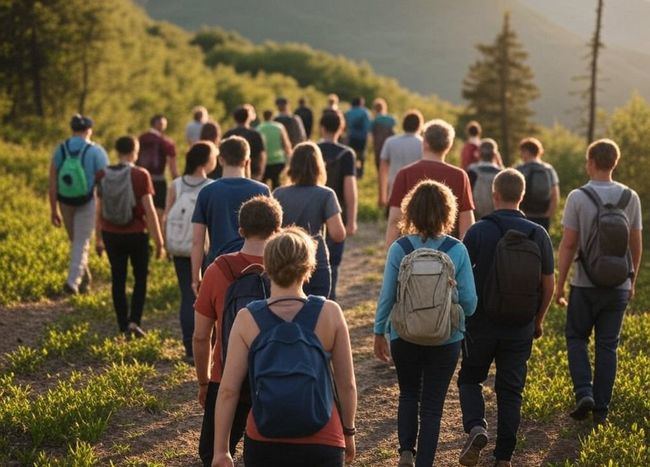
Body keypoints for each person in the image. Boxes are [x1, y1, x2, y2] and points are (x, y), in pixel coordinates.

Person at [211, 227, 357, 467]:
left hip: (264, 439)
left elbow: (228, 390)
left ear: (267, 266)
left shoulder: (247, 318)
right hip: (323, 438)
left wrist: (221, 450)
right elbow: (346, 385)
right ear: (309, 267)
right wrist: (349, 431)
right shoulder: (330, 313)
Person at [374, 180, 477, 467]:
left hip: (404, 335)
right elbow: (470, 303)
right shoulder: (457, 250)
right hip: (446, 337)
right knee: (432, 407)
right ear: (449, 212)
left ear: (410, 211)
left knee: (408, 393)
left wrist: (379, 330)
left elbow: (387, 296)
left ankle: (406, 451)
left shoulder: (399, 248)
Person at [458, 169, 555, 467]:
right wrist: (537, 320)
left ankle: (476, 426)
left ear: (494, 195)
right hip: (520, 325)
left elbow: (461, 279)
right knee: (511, 391)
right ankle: (504, 458)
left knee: (470, 379)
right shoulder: (538, 233)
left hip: (481, 325)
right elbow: (548, 284)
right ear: (522, 196)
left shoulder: (478, 231)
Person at [556, 139, 642, 426]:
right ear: (614, 163)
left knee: (576, 338)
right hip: (618, 284)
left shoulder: (578, 197)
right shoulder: (631, 197)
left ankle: (584, 392)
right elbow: (636, 244)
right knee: (608, 346)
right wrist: (632, 279)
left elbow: (568, 245)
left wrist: (559, 286)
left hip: (584, 284)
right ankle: (601, 410)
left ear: (590, 162)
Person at [194, 196, 283, 467]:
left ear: (240, 230)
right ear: (277, 229)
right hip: (275, 375)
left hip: (225, 376)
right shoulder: (287, 269)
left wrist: (204, 381)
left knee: (213, 455)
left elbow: (200, 336)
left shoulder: (217, 269)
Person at [95, 136, 165, 338]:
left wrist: (98, 239)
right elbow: (150, 211)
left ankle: (122, 326)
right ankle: (134, 321)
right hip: (136, 234)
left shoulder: (102, 175)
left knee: (118, 279)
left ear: (117, 151)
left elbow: (98, 209)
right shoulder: (141, 174)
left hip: (111, 234)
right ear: (135, 152)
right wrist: (159, 242)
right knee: (140, 278)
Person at [191, 136, 270, 296]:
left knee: (220, 315)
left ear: (220, 160)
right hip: (255, 264)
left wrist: (196, 277)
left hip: (218, 265)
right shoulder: (262, 190)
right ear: (247, 161)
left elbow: (197, 241)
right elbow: (272, 234)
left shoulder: (207, 192)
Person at [163, 142, 217, 360]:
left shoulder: (175, 185)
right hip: (205, 249)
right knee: (208, 297)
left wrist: (166, 244)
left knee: (187, 294)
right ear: (206, 161)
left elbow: (166, 216)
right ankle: (208, 344)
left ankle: (188, 347)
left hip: (180, 248)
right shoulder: (212, 186)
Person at [273, 143, 346, 298]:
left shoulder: (278, 194)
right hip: (315, 260)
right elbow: (338, 234)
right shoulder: (326, 195)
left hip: (283, 260)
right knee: (317, 309)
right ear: (319, 167)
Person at [386, 119, 475, 246]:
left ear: (425, 142)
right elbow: (466, 224)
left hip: (411, 253)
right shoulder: (460, 176)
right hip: (447, 252)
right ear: (448, 145)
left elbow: (395, 220)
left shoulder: (405, 174)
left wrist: (390, 254)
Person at [49, 114, 109, 295]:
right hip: (87, 201)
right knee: (81, 242)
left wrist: (53, 209)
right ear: (89, 130)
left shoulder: (60, 149)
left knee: (77, 241)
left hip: (64, 201)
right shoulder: (97, 151)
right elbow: (105, 183)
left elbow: (52, 181)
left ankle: (74, 281)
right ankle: (78, 280)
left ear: (72, 129)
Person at [317, 110, 358, 299]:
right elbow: (350, 188)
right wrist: (351, 220)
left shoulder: (311, 149)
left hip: (313, 210)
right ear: (341, 128)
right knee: (332, 263)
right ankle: (329, 300)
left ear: (321, 127)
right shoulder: (347, 154)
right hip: (336, 212)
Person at [378, 110, 424, 209]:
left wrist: (382, 195)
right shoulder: (423, 144)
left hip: (394, 191)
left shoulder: (390, 142)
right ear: (419, 125)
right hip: (417, 195)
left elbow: (383, 170)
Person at [137, 114, 178, 219]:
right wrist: (177, 181)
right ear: (158, 124)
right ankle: (158, 233)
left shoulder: (140, 138)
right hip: (158, 179)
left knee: (142, 209)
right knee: (159, 210)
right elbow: (172, 165)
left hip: (140, 178)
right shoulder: (164, 141)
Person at [515, 137, 560, 231]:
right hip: (543, 216)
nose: (521, 155)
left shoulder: (519, 169)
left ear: (526, 152)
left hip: (524, 216)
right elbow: (555, 195)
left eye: (522, 151)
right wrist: (548, 215)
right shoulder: (548, 169)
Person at [223, 105, 266, 181]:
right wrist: (260, 172)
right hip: (253, 172)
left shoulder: (228, 134)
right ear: (248, 118)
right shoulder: (255, 134)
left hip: (231, 172)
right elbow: (261, 155)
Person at [467, 139, 503, 219]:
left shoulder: (471, 171)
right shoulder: (501, 173)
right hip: (496, 218)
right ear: (495, 155)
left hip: (476, 218)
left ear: (479, 154)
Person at [257, 110, 292, 190]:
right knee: (277, 186)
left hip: (265, 162)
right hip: (278, 161)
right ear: (272, 117)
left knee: (263, 188)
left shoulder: (259, 128)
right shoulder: (279, 127)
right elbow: (286, 143)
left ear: (263, 117)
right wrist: (289, 156)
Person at [344, 97, 372, 178]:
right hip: (362, 137)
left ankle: (352, 170)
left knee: (352, 154)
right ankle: (360, 172)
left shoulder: (348, 112)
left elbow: (345, 126)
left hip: (351, 136)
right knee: (361, 155)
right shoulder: (365, 112)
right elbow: (368, 126)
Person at [370, 98, 397, 170]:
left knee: (379, 162)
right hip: (390, 143)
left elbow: (371, 133)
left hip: (378, 144)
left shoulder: (374, 120)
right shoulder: (391, 119)